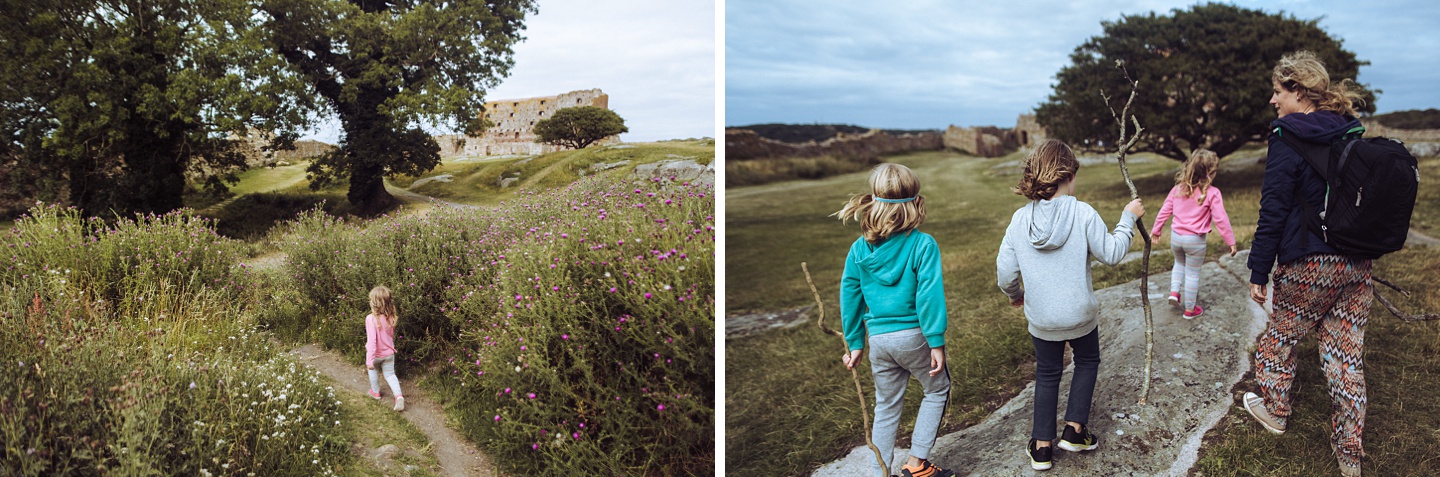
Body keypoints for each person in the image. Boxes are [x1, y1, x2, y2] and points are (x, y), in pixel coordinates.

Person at [1243, 50, 1370, 477]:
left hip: (1308, 262)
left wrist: (1259, 271)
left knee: (1279, 340)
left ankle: (1275, 410)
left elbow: (1274, 206)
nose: (1273, 101)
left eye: (1278, 92)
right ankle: (1350, 453)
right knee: (1345, 357)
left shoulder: (1287, 135)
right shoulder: (1351, 131)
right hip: (1355, 263)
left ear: (1298, 90)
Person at [996, 139, 1144, 471]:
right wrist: (1128, 219)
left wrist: (1014, 294)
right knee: (1087, 361)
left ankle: (1043, 446)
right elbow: (1112, 254)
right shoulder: (1082, 212)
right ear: (1069, 174)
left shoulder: (1020, 220)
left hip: (1043, 318)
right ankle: (1075, 430)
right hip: (1079, 314)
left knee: (1047, 374)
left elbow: (1005, 272)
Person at [836, 163, 955, 477]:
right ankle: (917, 465)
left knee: (886, 406)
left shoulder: (859, 249)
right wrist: (936, 342)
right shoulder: (922, 244)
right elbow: (929, 296)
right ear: (916, 203)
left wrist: (855, 342)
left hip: (879, 342)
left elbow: (850, 297)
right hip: (913, 336)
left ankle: (880, 471)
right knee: (936, 389)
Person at [1149, 148, 1238, 318]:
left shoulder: (1178, 189)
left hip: (1176, 238)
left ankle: (1174, 292)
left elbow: (1164, 210)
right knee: (1192, 273)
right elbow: (1221, 219)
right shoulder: (1213, 193)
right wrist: (1230, 241)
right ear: (1210, 173)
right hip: (1195, 241)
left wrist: (1156, 230)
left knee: (1179, 263)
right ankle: (1190, 309)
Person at [366, 285, 405, 412]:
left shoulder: (370, 319)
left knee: (373, 370)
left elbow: (372, 341)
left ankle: (375, 392)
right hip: (389, 353)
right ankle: (398, 396)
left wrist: (369, 359)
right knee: (390, 375)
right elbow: (390, 336)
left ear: (374, 303)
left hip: (376, 354)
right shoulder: (391, 318)